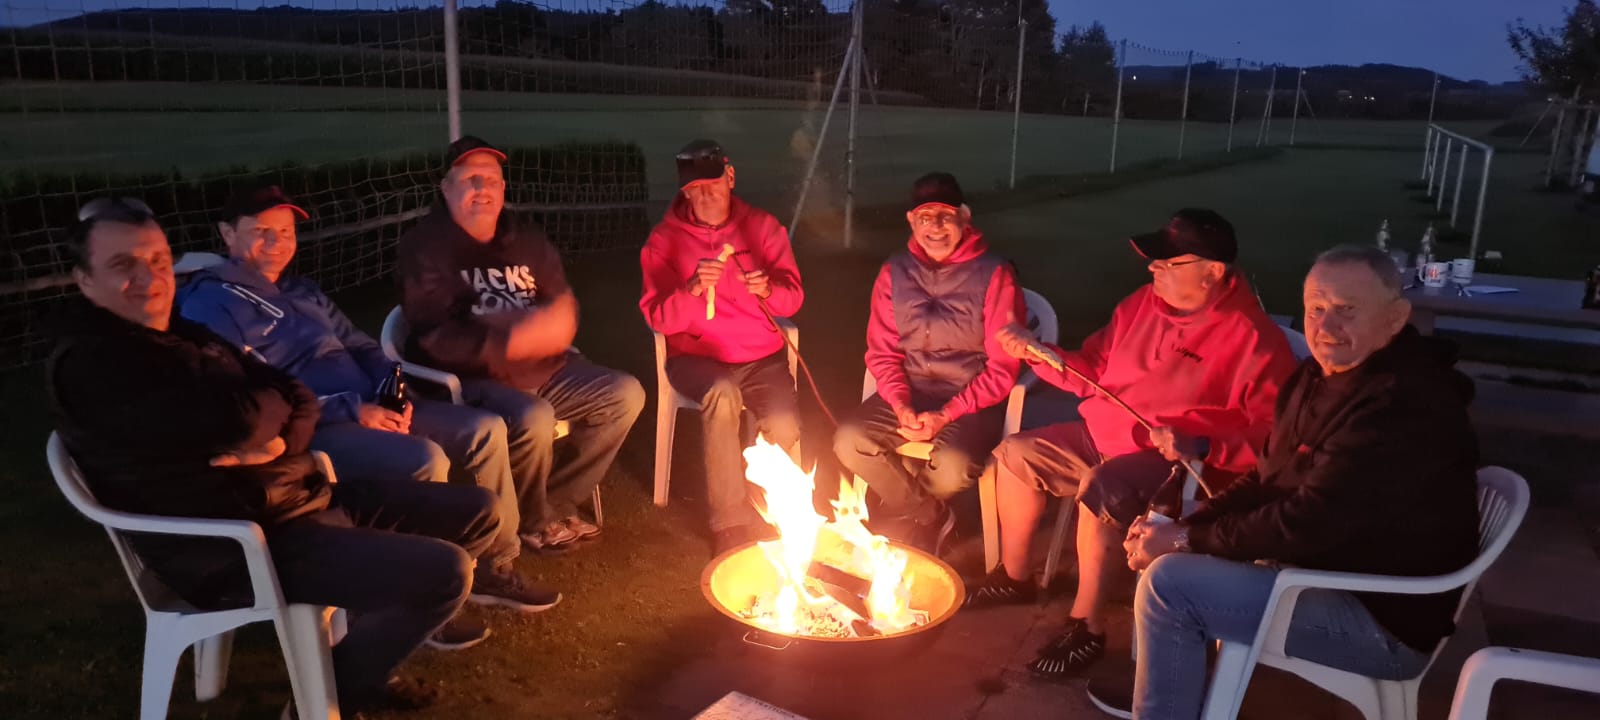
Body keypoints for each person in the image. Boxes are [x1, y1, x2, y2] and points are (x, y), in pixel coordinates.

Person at [47, 197, 505, 715]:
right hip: (234, 545)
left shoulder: (178, 331)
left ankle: (357, 659)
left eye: (157, 259)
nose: (150, 277)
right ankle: (326, 695)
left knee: (480, 511)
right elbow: (242, 419)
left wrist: (278, 438)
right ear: (84, 280)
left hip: (292, 499)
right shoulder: (95, 364)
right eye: (122, 264)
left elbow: (294, 393)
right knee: (445, 572)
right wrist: (265, 415)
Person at [1090, 245, 1481, 718]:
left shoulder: (1402, 404)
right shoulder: (1317, 377)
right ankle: (1173, 688)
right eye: (1316, 309)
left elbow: (1311, 521)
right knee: (1173, 547)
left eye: (1347, 310)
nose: (1326, 326)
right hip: (1322, 571)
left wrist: (1187, 541)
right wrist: (1186, 528)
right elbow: (1266, 477)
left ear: (1395, 318)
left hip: (1380, 618)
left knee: (1171, 587)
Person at [176, 184, 558, 632]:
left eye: (286, 231)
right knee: (423, 459)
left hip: (373, 405)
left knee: (485, 429)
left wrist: (389, 388)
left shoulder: (302, 291)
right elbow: (253, 392)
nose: (277, 242)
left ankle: (494, 565)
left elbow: (360, 344)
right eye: (262, 231)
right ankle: (419, 590)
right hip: (317, 425)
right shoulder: (210, 304)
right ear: (227, 234)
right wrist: (353, 410)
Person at [967, 209, 1296, 681]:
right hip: (1104, 431)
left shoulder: (1253, 338)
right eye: (1154, 260)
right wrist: (1037, 353)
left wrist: (1202, 441)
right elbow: (1091, 371)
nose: (1153, 268)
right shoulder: (1140, 304)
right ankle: (1014, 578)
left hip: (1172, 462)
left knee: (1104, 486)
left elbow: (1272, 436)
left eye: (1168, 262)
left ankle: (1086, 625)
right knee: (1015, 455)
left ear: (1212, 272)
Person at [396, 136, 645, 552]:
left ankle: (556, 502)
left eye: (492, 180)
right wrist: (510, 341)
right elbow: (434, 335)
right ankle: (534, 522)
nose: (483, 189)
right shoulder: (426, 248)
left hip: (544, 367)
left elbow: (558, 299)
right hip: (473, 379)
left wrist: (559, 319)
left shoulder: (524, 238)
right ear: (446, 188)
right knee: (534, 417)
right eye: (471, 179)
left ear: (503, 188)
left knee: (625, 393)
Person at [832, 172, 1023, 554]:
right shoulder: (894, 272)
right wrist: (901, 405)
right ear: (911, 221)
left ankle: (910, 513)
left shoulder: (995, 274)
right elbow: (882, 352)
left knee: (954, 466)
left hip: (970, 400)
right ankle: (930, 515)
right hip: (911, 390)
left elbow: (1003, 368)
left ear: (964, 217)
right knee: (849, 441)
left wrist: (946, 414)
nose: (934, 227)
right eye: (924, 217)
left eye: (945, 216)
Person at [639, 140, 804, 554]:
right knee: (722, 393)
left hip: (761, 357)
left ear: (730, 177)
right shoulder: (664, 240)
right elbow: (657, 318)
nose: (705, 194)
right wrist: (692, 290)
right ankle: (730, 522)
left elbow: (792, 300)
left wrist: (768, 289)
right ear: (684, 192)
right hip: (696, 359)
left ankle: (767, 508)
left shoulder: (763, 228)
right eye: (694, 188)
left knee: (783, 421)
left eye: (711, 183)